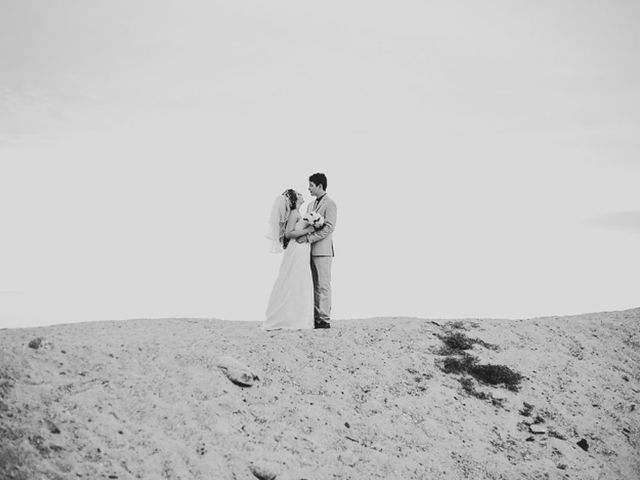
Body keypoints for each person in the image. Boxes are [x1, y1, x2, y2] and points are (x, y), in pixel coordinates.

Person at [264, 189, 315, 330]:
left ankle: (297, 316)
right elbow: (288, 233)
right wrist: (308, 230)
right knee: (294, 279)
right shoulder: (294, 213)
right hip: (296, 249)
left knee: (299, 280)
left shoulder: (298, 213)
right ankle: (290, 319)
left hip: (302, 249)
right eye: (298, 194)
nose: (301, 195)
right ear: (294, 200)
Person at [297, 173, 337, 329]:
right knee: (313, 285)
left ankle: (324, 319)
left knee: (323, 285)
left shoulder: (330, 204)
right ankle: (315, 317)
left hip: (323, 251)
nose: (309, 188)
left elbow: (329, 228)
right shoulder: (310, 205)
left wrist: (308, 238)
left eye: (311, 185)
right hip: (309, 251)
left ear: (320, 186)